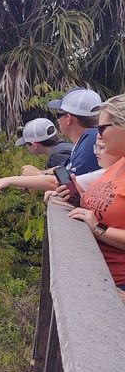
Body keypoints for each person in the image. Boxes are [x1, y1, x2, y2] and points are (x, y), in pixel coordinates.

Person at [62, 94, 125, 290]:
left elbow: (98, 222)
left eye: (102, 128)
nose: (97, 135)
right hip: (94, 275)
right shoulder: (118, 164)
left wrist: (98, 228)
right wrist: (74, 200)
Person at [21, 87, 101, 176]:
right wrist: (41, 173)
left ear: (68, 118)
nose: (57, 120)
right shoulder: (87, 140)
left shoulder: (90, 142)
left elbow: (70, 182)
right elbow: (66, 171)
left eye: (58, 115)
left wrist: (10, 180)